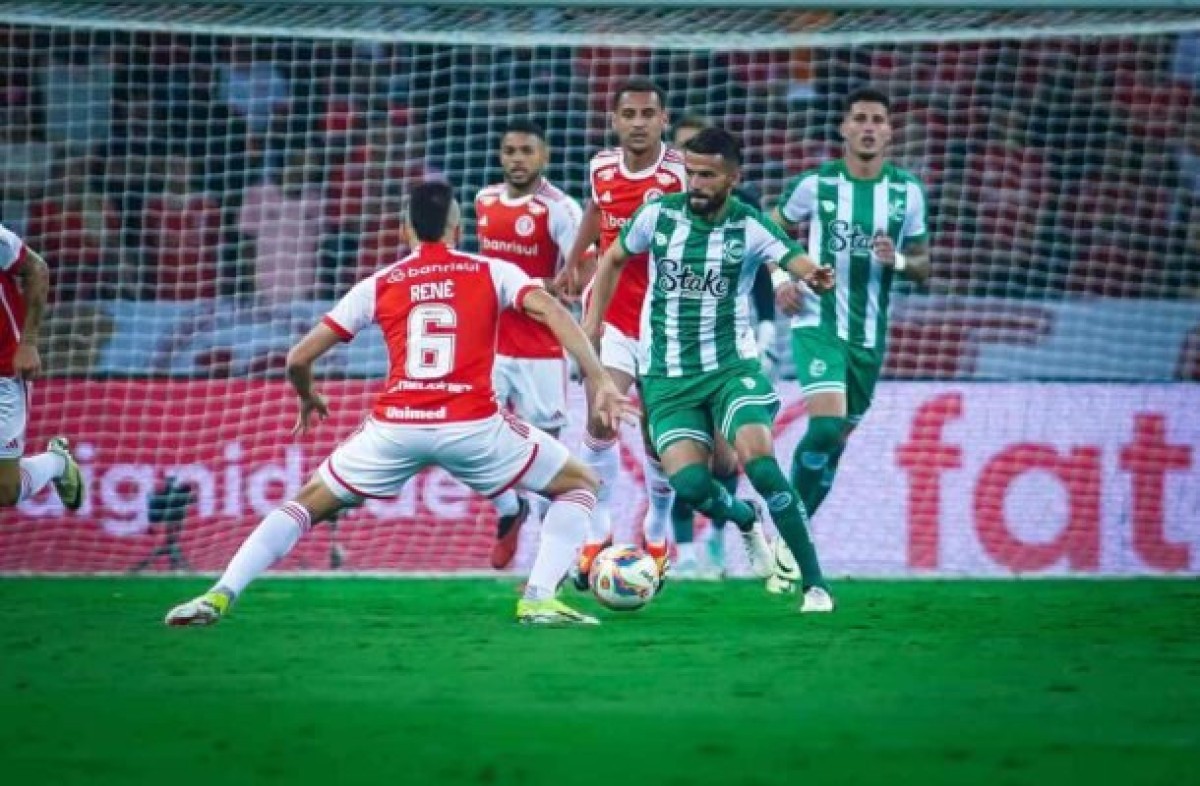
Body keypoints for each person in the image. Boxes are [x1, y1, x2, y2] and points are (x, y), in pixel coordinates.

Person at [165, 182, 632, 627]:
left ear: (403, 229)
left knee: (305, 504)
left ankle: (218, 594)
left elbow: (297, 358)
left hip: (395, 429)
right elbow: (552, 311)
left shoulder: (380, 282)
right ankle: (539, 599)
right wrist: (598, 379)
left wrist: (308, 395)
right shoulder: (493, 270)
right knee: (579, 484)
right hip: (472, 426)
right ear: (458, 229)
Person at [583, 127, 836, 613]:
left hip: (729, 368)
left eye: (706, 175)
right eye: (690, 173)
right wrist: (592, 324)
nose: (695, 183)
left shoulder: (749, 224)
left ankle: (815, 585)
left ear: (732, 178)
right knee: (692, 485)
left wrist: (814, 274)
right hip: (668, 376)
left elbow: (791, 257)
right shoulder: (658, 216)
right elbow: (612, 257)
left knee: (758, 460)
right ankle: (744, 519)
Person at [768, 87, 930, 594]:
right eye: (858, 117)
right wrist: (781, 280)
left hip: (869, 336)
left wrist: (898, 262)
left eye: (877, 119)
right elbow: (770, 231)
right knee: (827, 424)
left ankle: (788, 547)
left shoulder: (907, 193)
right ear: (843, 128)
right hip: (817, 322)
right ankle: (789, 529)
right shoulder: (815, 185)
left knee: (834, 442)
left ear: (888, 130)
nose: (867, 127)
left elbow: (924, 264)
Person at [554, 78, 684, 584]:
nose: (637, 122)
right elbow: (594, 207)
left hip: (667, 322)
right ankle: (596, 535)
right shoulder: (600, 166)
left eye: (647, 113)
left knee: (656, 435)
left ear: (663, 120)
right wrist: (573, 258)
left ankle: (657, 529)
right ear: (614, 120)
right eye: (628, 114)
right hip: (609, 314)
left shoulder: (678, 174)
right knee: (600, 422)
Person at [667, 114, 781, 578]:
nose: (689, 172)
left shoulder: (745, 208)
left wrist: (769, 326)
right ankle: (683, 553)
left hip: (731, 349)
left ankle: (717, 542)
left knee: (725, 454)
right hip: (674, 353)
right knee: (680, 455)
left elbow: (766, 269)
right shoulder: (663, 208)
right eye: (682, 159)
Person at [474, 118, 583, 569]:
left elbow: (580, 274)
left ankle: (544, 564)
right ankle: (507, 508)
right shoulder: (483, 201)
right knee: (473, 438)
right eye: (509, 151)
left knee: (547, 462)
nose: (517, 159)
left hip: (542, 348)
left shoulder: (560, 209)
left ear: (545, 157)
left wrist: (544, 286)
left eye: (526, 151)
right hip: (491, 345)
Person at [0, 224, 84, 511]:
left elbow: (37, 269)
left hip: (4, 372)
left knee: (5, 491)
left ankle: (57, 462)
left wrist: (28, 343)